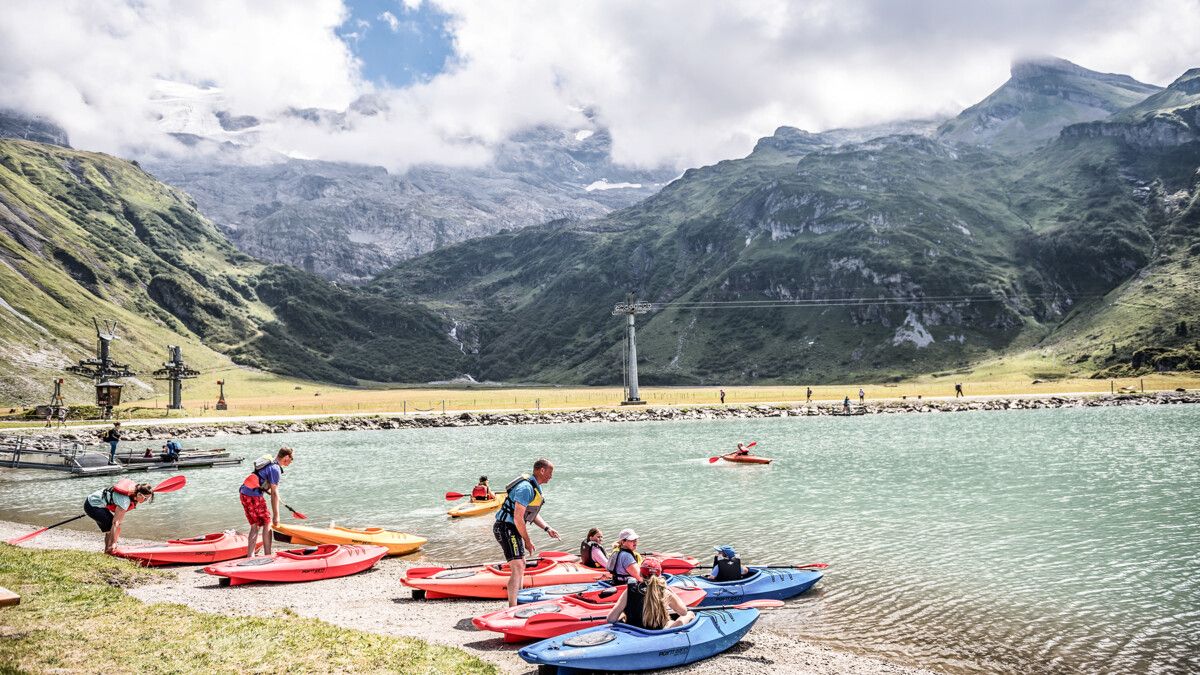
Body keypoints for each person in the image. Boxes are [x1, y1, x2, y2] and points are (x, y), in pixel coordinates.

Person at [494, 458, 560, 606]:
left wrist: (547, 528)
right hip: (505, 527)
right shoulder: (526, 488)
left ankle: (519, 600)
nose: (551, 476)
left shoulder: (533, 487)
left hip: (511, 528)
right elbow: (518, 518)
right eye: (550, 472)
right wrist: (528, 542)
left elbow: (531, 514)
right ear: (541, 470)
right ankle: (512, 607)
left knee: (521, 564)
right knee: (517, 566)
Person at [606, 559, 694, 630]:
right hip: (658, 632)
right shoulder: (665, 592)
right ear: (659, 575)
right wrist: (669, 590)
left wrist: (624, 614)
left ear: (640, 574)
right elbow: (683, 612)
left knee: (622, 615)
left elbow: (610, 619)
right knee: (689, 614)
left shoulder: (630, 590)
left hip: (635, 631)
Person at [240, 447, 294, 557]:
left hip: (244, 492)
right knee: (267, 522)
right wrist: (276, 516)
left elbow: (262, 482)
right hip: (254, 496)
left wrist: (267, 491)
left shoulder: (270, 464)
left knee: (255, 526)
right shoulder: (275, 469)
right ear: (286, 457)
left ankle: (250, 556)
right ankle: (268, 555)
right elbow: (274, 493)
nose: (291, 461)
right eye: (291, 459)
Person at [83, 479, 154, 553]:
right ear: (139, 494)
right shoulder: (124, 501)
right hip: (93, 505)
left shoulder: (135, 490)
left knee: (109, 528)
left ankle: (107, 550)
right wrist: (114, 542)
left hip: (94, 500)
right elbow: (116, 522)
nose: (146, 501)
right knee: (112, 526)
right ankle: (110, 549)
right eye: (145, 499)